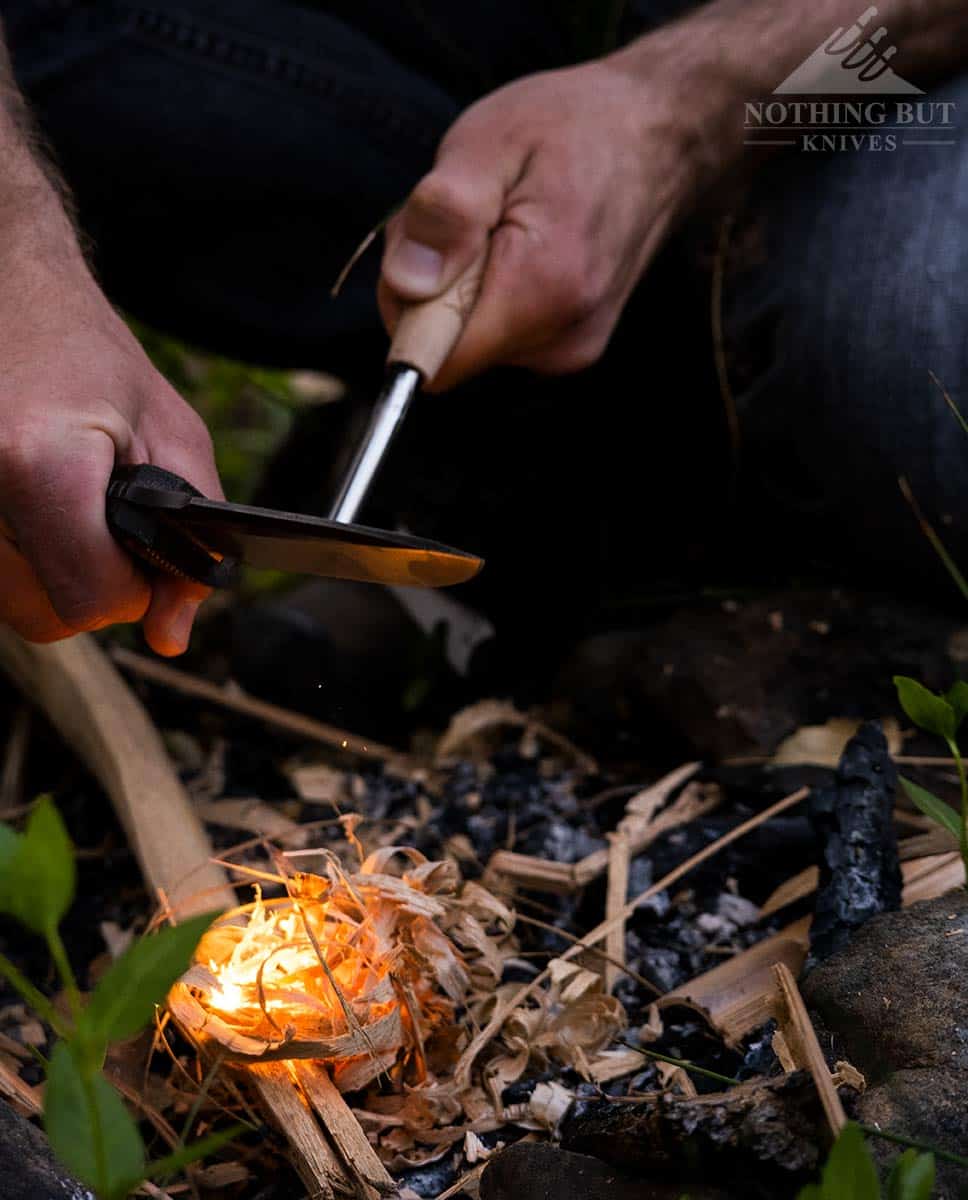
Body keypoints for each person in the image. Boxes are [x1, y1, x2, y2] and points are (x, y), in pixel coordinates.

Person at [1, 0, 967, 662]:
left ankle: (637, 413)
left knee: (904, 352)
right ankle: (511, 415)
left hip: (816, 70)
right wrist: (20, 264)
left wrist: (673, 114)